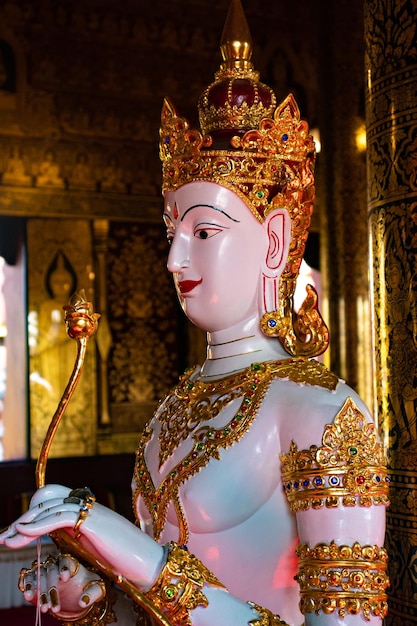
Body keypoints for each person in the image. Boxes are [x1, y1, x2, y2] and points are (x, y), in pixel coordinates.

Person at [0, 2, 389, 625]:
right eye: (172, 230)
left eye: (204, 230)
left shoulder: (322, 415)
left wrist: (136, 556)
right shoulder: (177, 404)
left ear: (276, 239)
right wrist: (96, 598)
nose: (175, 256)